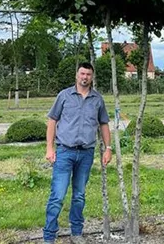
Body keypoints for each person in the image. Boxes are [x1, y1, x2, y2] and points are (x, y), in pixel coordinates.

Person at [43, 62, 112, 244]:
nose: (85, 77)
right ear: (76, 75)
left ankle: (76, 233)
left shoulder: (97, 100)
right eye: (82, 73)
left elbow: (103, 123)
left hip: (86, 154)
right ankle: (49, 236)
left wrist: (108, 148)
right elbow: (52, 120)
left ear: (92, 77)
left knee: (79, 195)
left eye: (88, 74)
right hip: (65, 152)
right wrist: (49, 148)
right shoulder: (64, 96)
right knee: (57, 195)